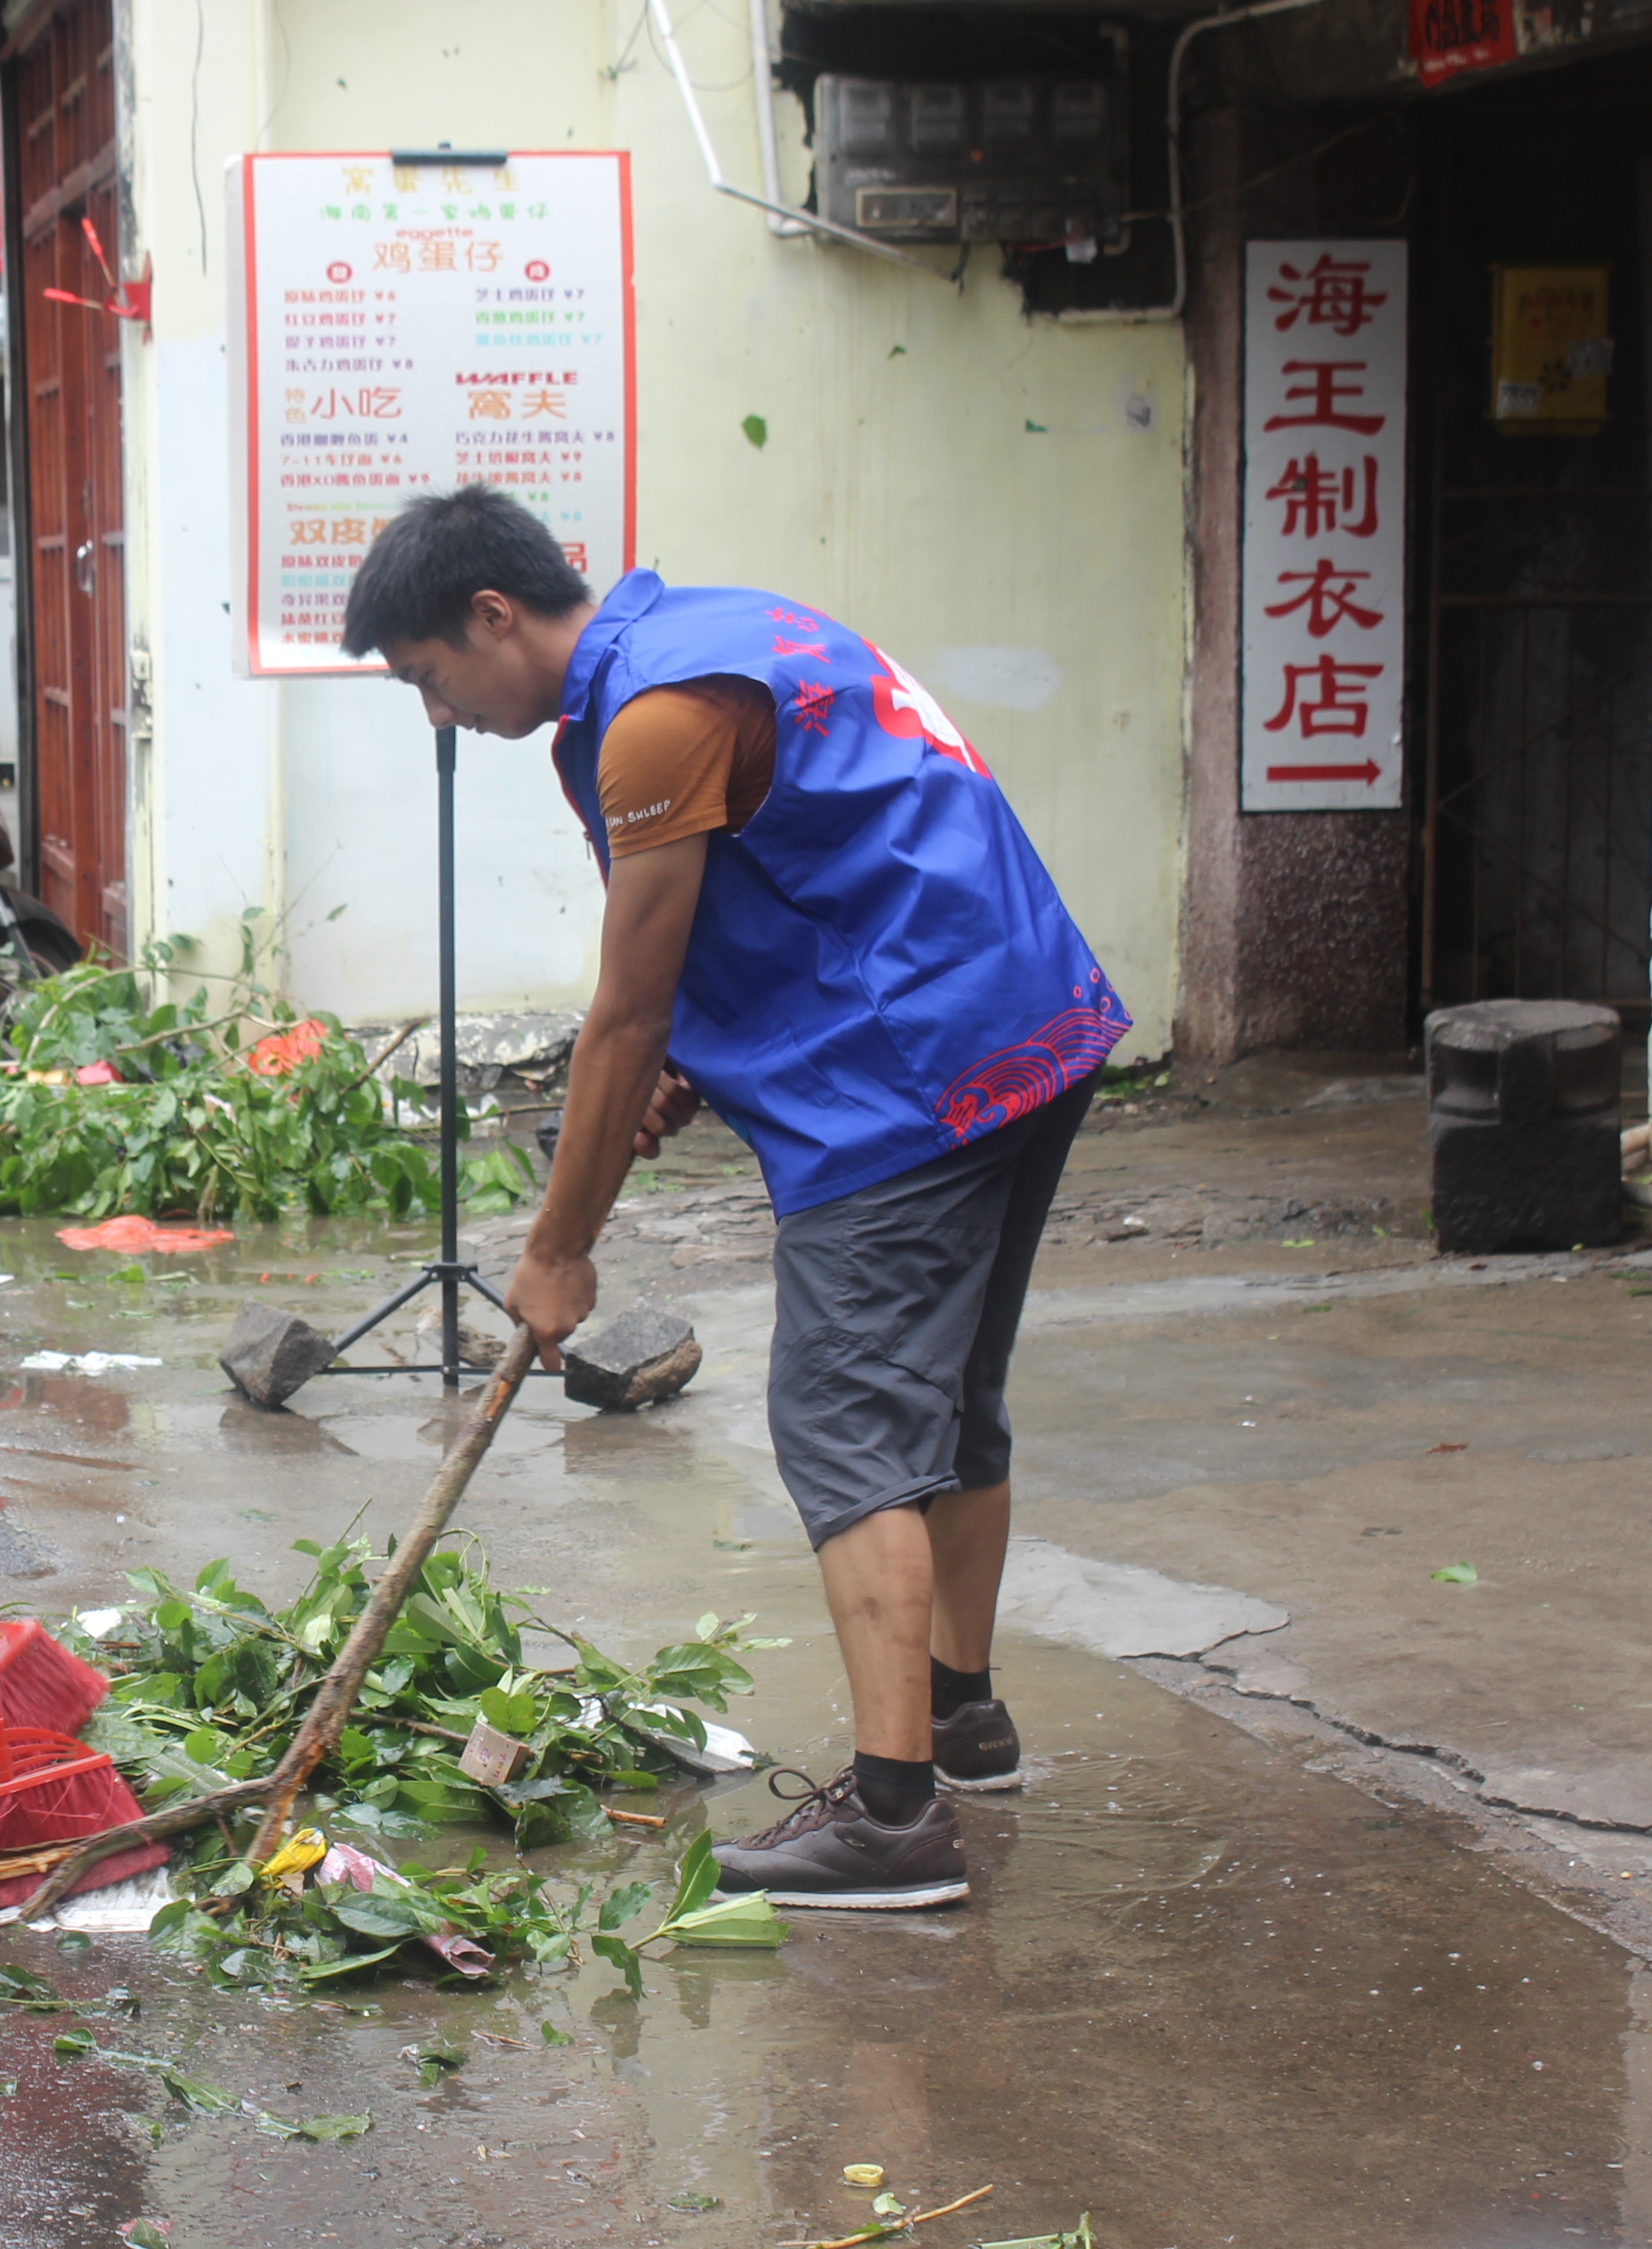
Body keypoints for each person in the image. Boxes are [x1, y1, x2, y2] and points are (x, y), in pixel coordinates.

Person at [339, 486, 1127, 1911]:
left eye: (425, 678)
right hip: (1027, 1019)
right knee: (949, 1401)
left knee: (846, 1419)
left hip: (910, 1074)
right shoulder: (723, 633)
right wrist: (695, 1060)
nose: (435, 715)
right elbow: (805, 864)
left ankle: (892, 1819)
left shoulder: (649, 716)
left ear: (490, 617)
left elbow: (624, 1011)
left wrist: (556, 1247)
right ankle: (962, 1717)